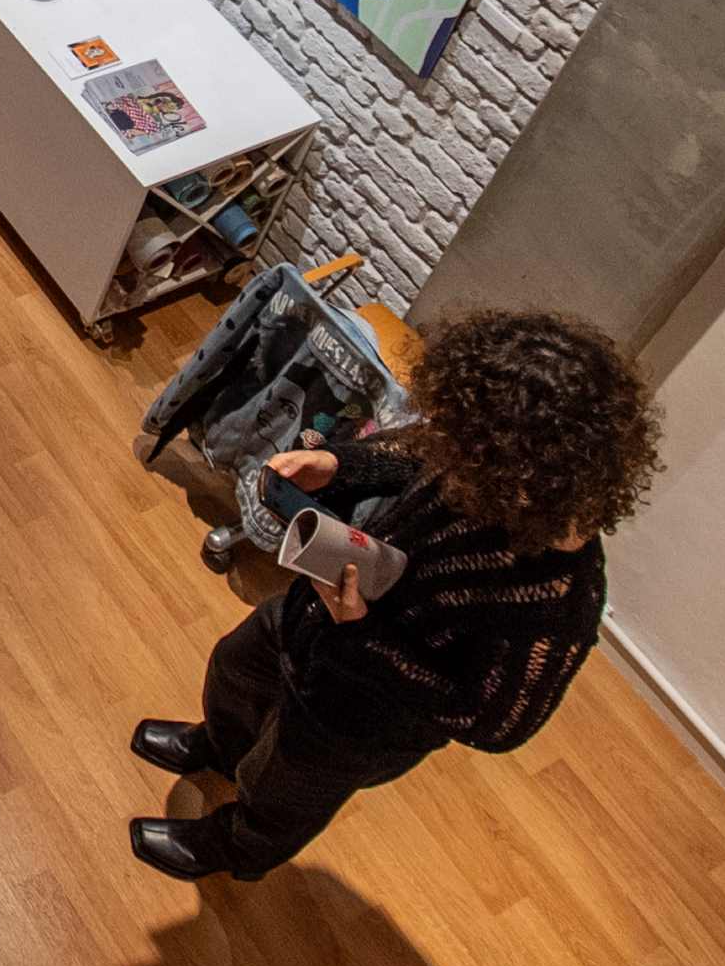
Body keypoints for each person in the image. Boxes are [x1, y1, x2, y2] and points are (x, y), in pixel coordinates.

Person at [126, 309, 660, 882]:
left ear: (523, 472)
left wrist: (362, 634)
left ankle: (235, 848)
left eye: (464, 450)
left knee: (286, 784)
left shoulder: (557, 602)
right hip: (317, 614)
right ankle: (222, 747)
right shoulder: (481, 460)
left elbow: (495, 724)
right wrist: (335, 464)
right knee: (236, 670)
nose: (447, 454)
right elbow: (422, 450)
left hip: (366, 711)